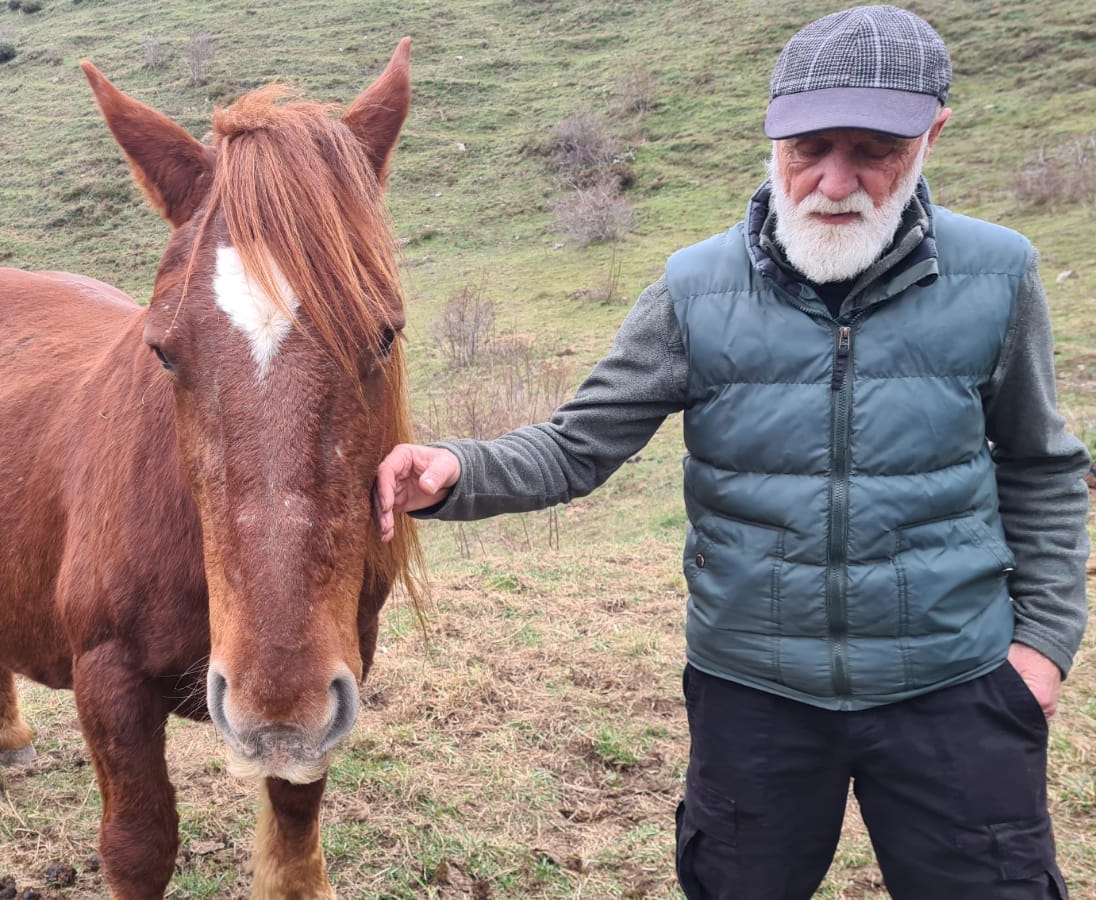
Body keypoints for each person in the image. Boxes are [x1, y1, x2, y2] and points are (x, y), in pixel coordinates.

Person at [374, 6, 1090, 898]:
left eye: (872, 149)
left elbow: (1042, 465)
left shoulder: (999, 274)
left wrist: (1043, 649)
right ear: (771, 131)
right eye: (808, 148)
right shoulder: (694, 290)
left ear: (931, 135)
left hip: (955, 684)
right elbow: (575, 447)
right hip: (754, 693)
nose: (835, 182)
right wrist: (456, 468)